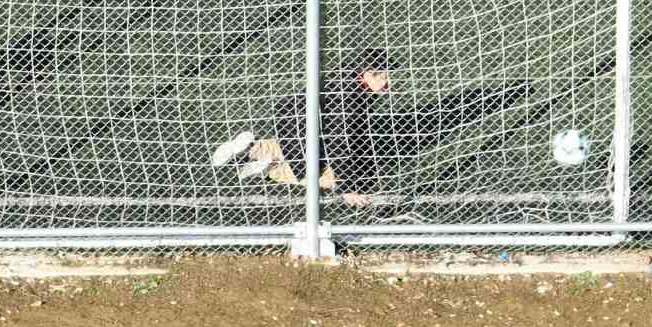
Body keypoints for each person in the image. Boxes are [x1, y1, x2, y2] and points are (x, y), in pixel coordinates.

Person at [211, 53, 526, 206]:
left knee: (313, 153)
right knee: (319, 175)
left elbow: (345, 132)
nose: (390, 82)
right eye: (385, 77)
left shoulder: (351, 82)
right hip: (305, 128)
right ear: (369, 75)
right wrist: (349, 188)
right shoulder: (349, 98)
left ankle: (258, 150)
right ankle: (262, 162)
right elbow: (339, 141)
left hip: (298, 121)